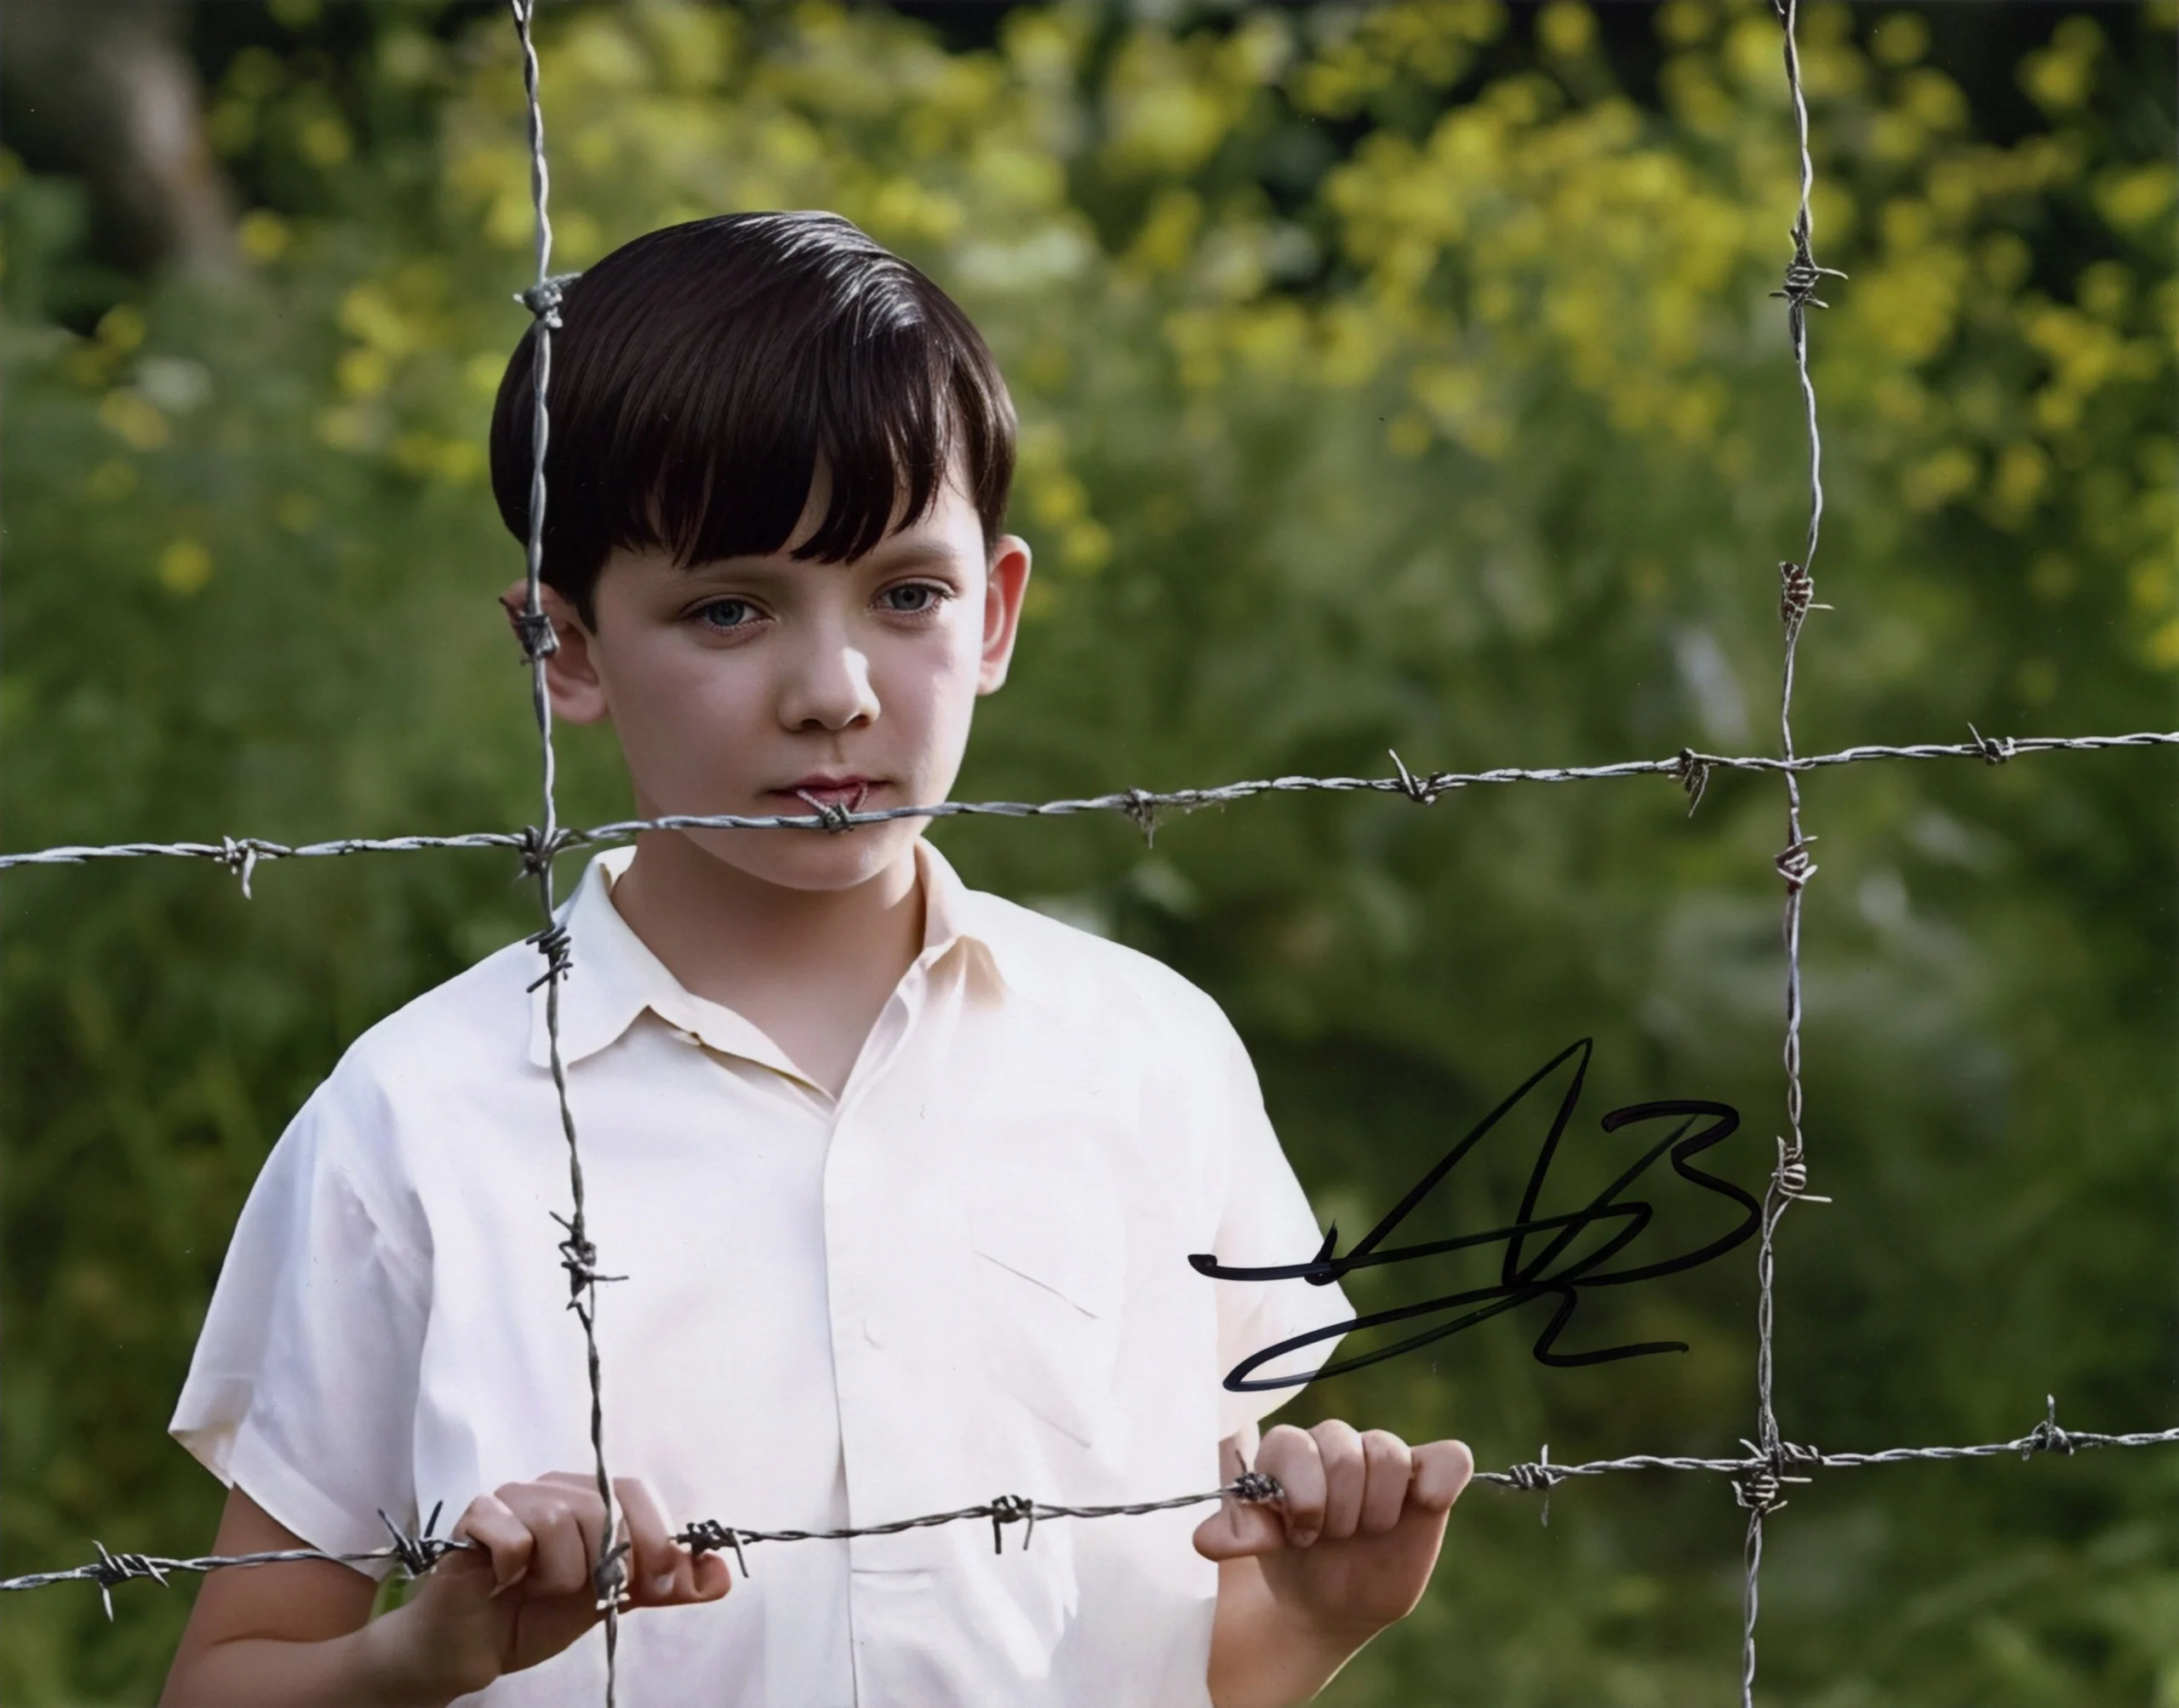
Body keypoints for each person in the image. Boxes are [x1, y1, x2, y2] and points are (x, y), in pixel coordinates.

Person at [158, 212, 1473, 1708]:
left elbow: (1163, 1656)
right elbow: (227, 1677)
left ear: (996, 612)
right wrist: (420, 1656)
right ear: (565, 649)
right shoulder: (417, 1118)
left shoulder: (1149, 1055)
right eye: (729, 608)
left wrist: (1310, 1618)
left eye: (905, 594)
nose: (834, 692)